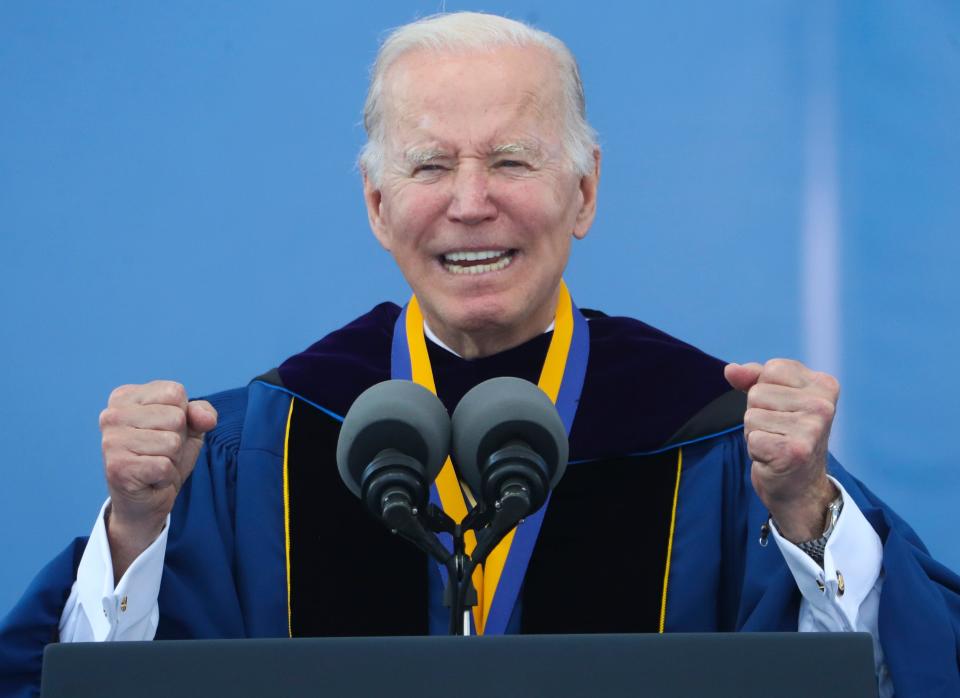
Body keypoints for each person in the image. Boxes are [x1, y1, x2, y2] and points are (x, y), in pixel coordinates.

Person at [1, 11, 957, 698]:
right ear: (378, 207)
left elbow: (894, 671)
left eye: (511, 160)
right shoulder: (258, 444)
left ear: (584, 192)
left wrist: (811, 515)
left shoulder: (713, 441)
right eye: (428, 165)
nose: (469, 202)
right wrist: (134, 531)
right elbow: (74, 681)